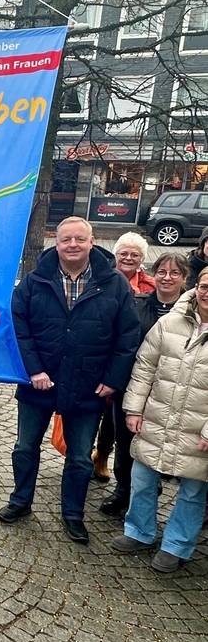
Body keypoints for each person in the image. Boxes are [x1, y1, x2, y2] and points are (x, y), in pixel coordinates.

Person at [0, 217, 139, 544]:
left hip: (89, 384)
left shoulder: (114, 283)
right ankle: (20, 501)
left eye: (79, 239)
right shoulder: (34, 281)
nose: (72, 245)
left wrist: (113, 379)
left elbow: (127, 337)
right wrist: (33, 369)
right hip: (38, 382)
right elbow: (19, 327)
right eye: (65, 239)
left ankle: (73, 514)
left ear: (92, 242)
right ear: (56, 244)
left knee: (78, 456)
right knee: (24, 447)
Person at [113, 266, 208, 572]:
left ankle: (177, 545)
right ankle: (139, 531)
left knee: (193, 491)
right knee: (142, 479)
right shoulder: (169, 323)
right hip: (158, 417)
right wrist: (134, 409)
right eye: (205, 286)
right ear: (197, 287)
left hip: (199, 428)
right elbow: (144, 368)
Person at [101, 252, 189, 518]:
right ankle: (123, 490)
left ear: (185, 278)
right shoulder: (136, 303)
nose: (167, 277)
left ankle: (151, 492)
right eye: (162, 271)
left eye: (174, 273)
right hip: (131, 386)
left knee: (158, 444)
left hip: (170, 391)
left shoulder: (190, 312)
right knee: (125, 440)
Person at [92, 231, 157, 482]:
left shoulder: (150, 286)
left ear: (142, 258)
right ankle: (88, 455)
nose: (129, 258)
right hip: (102, 357)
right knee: (97, 410)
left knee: (117, 416)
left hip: (134, 362)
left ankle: (106, 458)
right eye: (124, 253)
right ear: (116, 254)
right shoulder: (102, 280)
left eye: (135, 254)